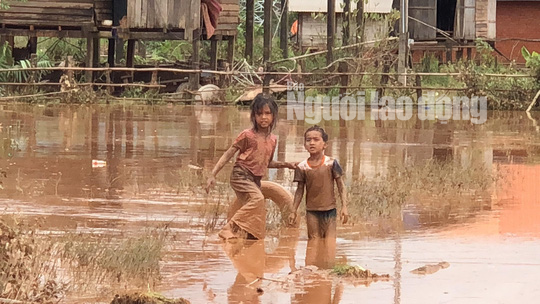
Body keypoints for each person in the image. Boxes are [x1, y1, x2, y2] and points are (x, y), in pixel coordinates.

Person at [206, 93, 296, 240]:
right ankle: (228, 228)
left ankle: (250, 238)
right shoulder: (247, 135)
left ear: (274, 116)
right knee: (258, 199)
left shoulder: (273, 140)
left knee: (257, 209)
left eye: (267, 113)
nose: (264, 117)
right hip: (241, 175)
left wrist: (287, 165)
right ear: (254, 116)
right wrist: (212, 175)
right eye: (259, 114)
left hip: (255, 180)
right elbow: (228, 154)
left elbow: (268, 163)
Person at [289, 125, 349, 240]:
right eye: (308, 140)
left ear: (325, 145)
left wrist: (344, 207)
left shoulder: (331, 163)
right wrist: (293, 210)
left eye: (316, 140)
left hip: (330, 210)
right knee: (313, 241)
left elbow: (341, 186)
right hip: (311, 211)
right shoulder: (302, 167)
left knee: (330, 241)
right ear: (304, 145)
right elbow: (299, 190)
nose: (312, 143)